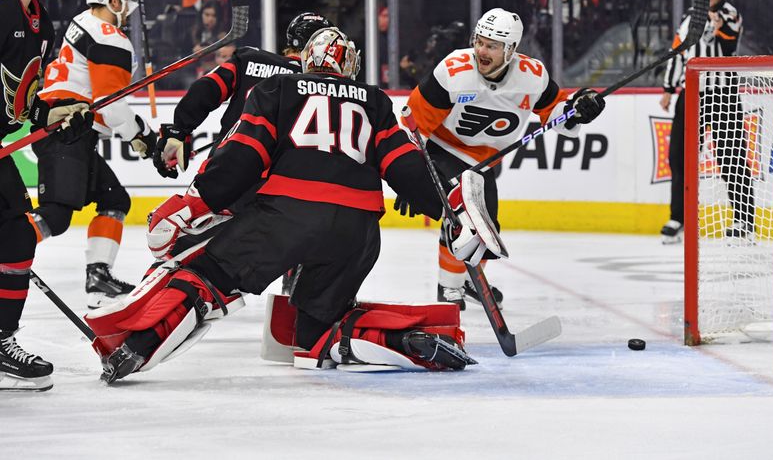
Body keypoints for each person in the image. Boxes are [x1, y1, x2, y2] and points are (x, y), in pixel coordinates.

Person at [89, 27, 481, 383]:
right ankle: (407, 339)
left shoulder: (278, 89)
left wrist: (197, 201)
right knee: (314, 340)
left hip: (285, 216)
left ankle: (137, 349)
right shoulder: (375, 102)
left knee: (207, 277)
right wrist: (449, 209)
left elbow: (243, 157)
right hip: (356, 231)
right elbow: (405, 166)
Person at [399, 8, 606, 310]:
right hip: (443, 151)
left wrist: (579, 108)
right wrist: (410, 174)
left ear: (511, 50)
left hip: (485, 161)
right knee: (462, 219)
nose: (482, 51)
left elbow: (557, 116)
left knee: (487, 228)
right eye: (479, 41)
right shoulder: (453, 71)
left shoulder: (533, 77)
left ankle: (470, 276)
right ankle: (449, 288)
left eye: (492, 46)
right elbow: (413, 123)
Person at [0, 0, 95, 392]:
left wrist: (62, 114)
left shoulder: (42, 20)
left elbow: (26, 104)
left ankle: (1, 341)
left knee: (18, 236)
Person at [32, 0, 157, 309]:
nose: (130, 6)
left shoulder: (84, 20)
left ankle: (98, 274)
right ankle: (10, 245)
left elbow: (101, 102)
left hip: (71, 131)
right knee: (55, 216)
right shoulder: (109, 36)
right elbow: (111, 106)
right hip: (66, 131)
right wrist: (143, 135)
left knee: (115, 200)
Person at [154, 11, 332, 181]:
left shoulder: (247, 60)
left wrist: (179, 130)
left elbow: (206, 88)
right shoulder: (324, 85)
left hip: (223, 171)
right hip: (280, 183)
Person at [659, 0, 750, 244]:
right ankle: (679, 218)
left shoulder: (729, 13)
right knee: (679, 158)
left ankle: (743, 219)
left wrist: (719, 27)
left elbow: (730, 47)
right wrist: (667, 88)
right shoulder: (688, 18)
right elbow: (678, 53)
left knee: (731, 157)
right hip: (691, 94)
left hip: (723, 95)